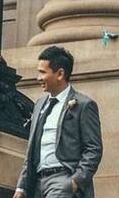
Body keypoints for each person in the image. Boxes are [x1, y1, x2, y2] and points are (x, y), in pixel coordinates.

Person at [15, 46, 103, 198]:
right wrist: (21, 187)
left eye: (43, 72)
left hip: (63, 179)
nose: (38, 78)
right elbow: (31, 149)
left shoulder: (83, 105)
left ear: (60, 74)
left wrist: (76, 181)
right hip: (36, 184)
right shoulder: (39, 105)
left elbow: (93, 148)